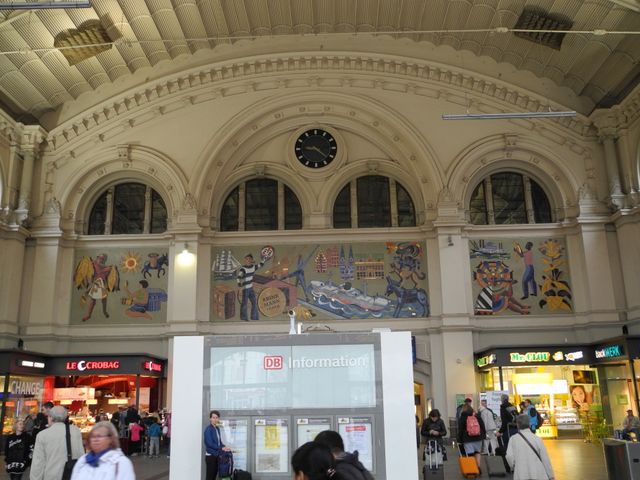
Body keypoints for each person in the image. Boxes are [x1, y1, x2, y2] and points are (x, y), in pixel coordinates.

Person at [30, 406, 84, 480]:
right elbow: (81, 456)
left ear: (51, 417)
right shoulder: (75, 431)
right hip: (72, 475)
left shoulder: (42, 435)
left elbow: (38, 463)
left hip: (51, 476)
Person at [70, 421, 135, 480]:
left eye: (99, 436)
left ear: (110, 439)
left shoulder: (121, 463)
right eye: (93, 436)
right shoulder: (83, 460)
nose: (95, 439)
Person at [505, 414, 555, 480]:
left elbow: (509, 456)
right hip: (537, 473)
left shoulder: (513, 439)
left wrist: (513, 466)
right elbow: (545, 458)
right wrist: (550, 475)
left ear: (518, 425)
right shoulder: (537, 439)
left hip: (521, 473)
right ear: (529, 424)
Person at [237, 253, 266, 321]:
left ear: (251, 260)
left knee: (254, 302)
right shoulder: (243, 269)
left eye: (249, 259)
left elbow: (260, 265)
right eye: (246, 259)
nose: (248, 260)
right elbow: (238, 277)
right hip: (245, 289)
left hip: (251, 288)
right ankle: (244, 318)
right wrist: (240, 286)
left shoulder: (253, 267)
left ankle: (254, 317)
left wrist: (264, 259)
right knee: (244, 303)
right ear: (245, 260)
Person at [457, 404, 486, 470]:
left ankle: (472, 469)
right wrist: (483, 435)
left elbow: (460, 429)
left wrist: (459, 439)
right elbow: (482, 425)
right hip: (478, 437)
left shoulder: (462, 417)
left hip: (467, 438)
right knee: (477, 452)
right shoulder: (476, 415)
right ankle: (478, 467)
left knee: (470, 454)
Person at [204, 410, 231, 480]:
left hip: (216, 455)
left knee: (214, 476)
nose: (215, 419)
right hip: (211, 457)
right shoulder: (208, 429)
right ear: (210, 418)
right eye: (213, 417)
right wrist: (221, 448)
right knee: (210, 477)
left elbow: (219, 442)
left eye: (216, 418)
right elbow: (209, 443)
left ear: (218, 419)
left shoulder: (217, 428)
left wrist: (224, 447)